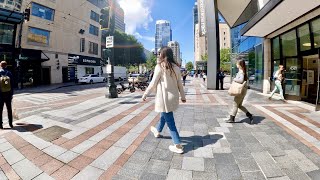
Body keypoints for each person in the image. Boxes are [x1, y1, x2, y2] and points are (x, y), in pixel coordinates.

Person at [142, 46, 186, 154]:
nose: (158, 55)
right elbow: (180, 84)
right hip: (173, 97)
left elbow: (153, 83)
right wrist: (183, 97)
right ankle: (157, 131)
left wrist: (145, 94)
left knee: (170, 121)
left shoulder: (160, 66)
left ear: (162, 55)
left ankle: (178, 145)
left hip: (164, 98)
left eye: (159, 53)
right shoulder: (176, 67)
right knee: (163, 115)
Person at [226, 60, 254, 124]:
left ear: (240, 65)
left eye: (237, 63)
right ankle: (250, 115)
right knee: (239, 105)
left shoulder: (241, 72)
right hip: (243, 90)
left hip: (240, 90)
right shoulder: (242, 71)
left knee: (235, 104)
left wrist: (234, 79)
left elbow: (241, 80)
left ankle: (232, 118)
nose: (236, 64)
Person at [0, 61, 14, 129]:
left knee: (0, 110)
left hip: (0, 95)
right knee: (9, 109)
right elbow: (12, 84)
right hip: (8, 94)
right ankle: (10, 124)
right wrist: (11, 94)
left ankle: (0, 125)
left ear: (0, 66)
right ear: (6, 66)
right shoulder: (9, 73)